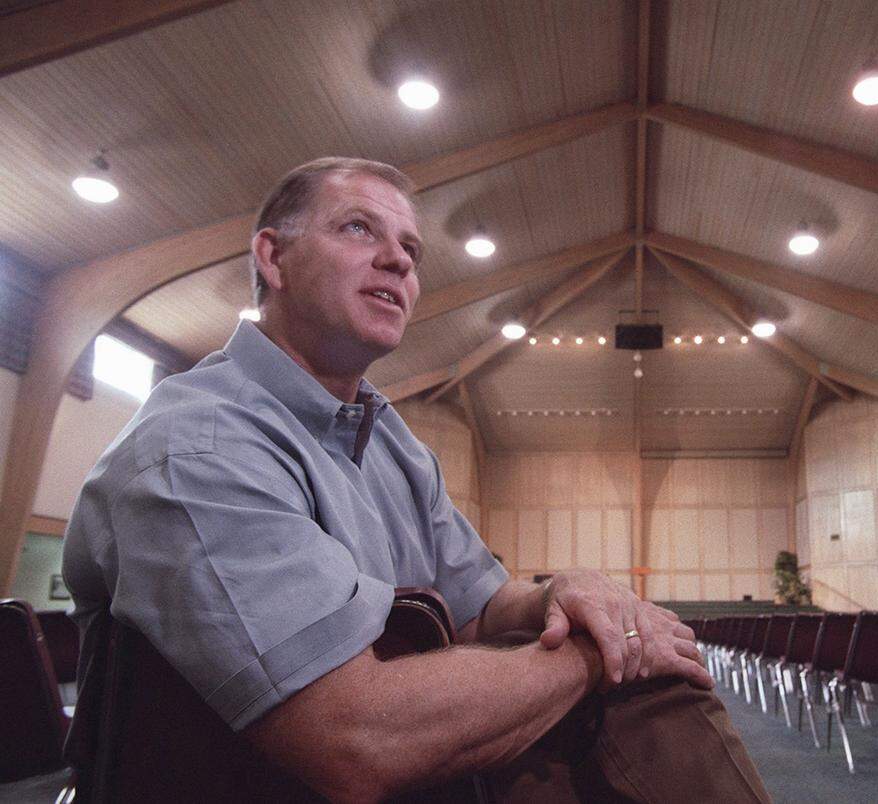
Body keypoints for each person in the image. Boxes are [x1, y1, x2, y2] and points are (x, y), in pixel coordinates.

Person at [63, 157, 770, 802]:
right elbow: (352, 740)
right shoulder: (196, 444)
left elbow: (482, 606)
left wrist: (569, 589)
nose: (398, 259)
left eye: (411, 249)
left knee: (633, 695)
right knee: (631, 683)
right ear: (273, 258)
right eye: (359, 228)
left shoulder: (389, 440)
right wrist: (603, 654)